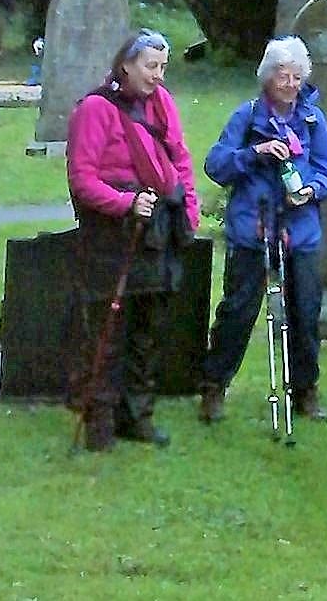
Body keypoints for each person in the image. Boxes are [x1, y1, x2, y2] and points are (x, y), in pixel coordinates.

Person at [67, 28, 200, 451]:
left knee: (148, 328)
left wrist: (190, 211)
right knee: (106, 332)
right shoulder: (95, 109)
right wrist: (125, 203)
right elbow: (82, 179)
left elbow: (179, 158)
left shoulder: (162, 103)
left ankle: (137, 416)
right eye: (150, 66)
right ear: (126, 65)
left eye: (163, 67)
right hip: (112, 232)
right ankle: (99, 420)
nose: (158, 75)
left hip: (159, 227)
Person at [198, 36, 327, 424]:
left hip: (300, 230)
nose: (290, 84)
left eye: (296, 76)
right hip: (253, 227)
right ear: (267, 77)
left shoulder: (313, 120)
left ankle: (305, 390)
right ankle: (213, 386)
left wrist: (310, 190)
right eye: (282, 75)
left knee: (305, 312)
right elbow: (215, 164)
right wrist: (254, 154)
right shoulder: (246, 117)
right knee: (238, 311)